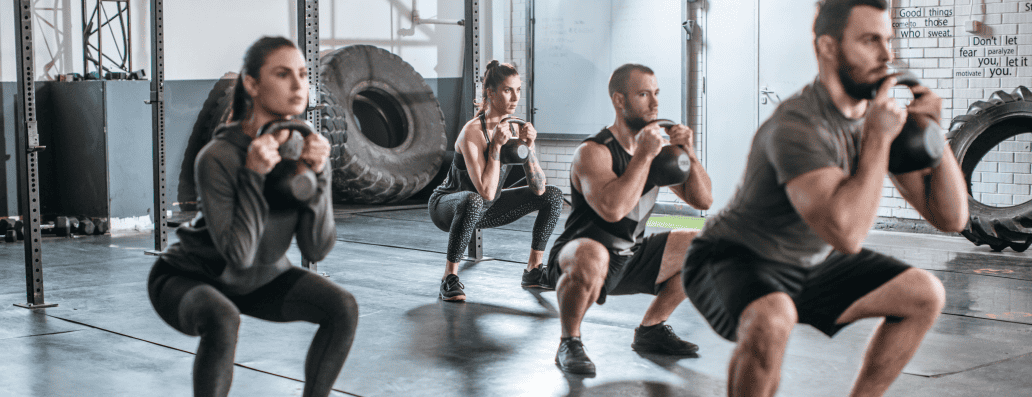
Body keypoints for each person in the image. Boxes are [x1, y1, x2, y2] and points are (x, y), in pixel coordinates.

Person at [680, 1, 968, 396]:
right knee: (772, 318)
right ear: (828, 47)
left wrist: (936, 138)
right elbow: (847, 235)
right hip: (735, 256)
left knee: (924, 294)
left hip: (810, 261)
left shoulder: (878, 118)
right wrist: (878, 139)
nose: (887, 56)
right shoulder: (798, 125)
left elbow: (951, 218)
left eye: (887, 40)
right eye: (870, 41)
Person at [147, 36, 359, 397]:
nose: (298, 85)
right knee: (223, 318)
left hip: (259, 279)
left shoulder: (301, 147)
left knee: (342, 307)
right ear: (252, 84)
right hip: (189, 278)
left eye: (304, 75)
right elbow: (239, 254)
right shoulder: (218, 156)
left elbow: (316, 247)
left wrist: (320, 174)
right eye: (282, 74)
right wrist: (253, 175)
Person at [544, 63, 713, 375]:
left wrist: (689, 152)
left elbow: (703, 200)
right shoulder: (594, 151)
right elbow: (613, 210)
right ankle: (569, 342)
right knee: (591, 253)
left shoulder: (656, 151)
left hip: (629, 256)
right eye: (643, 94)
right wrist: (644, 156)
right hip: (578, 256)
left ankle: (651, 329)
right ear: (619, 100)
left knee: (706, 242)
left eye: (656, 93)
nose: (654, 103)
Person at [428, 60, 564, 302]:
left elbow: (539, 188)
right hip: (446, 206)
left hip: (483, 208)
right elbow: (486, 192)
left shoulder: (512, 128)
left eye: (518, 90)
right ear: (490, 93)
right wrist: (496, 149)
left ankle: (534, 270)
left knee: (553, 195)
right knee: (473, 200)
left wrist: (529, 147)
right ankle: (449, 278)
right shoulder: (473, 132)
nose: (515, 97)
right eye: (507, 90)